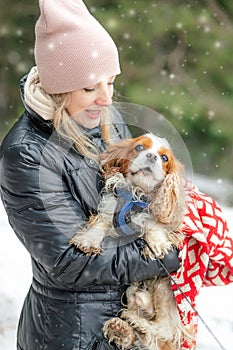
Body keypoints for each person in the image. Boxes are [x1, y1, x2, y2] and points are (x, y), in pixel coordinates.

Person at [1, 1, 233, 350]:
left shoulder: (104, 119)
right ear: (59, 87)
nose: (106, 98)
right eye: (90, 88)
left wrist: (185, 216)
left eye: (110, 83)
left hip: (130, 323)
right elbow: (69, 264)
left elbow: (136, 196)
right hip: (74, 333)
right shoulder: (27, 153)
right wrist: (168, 254)